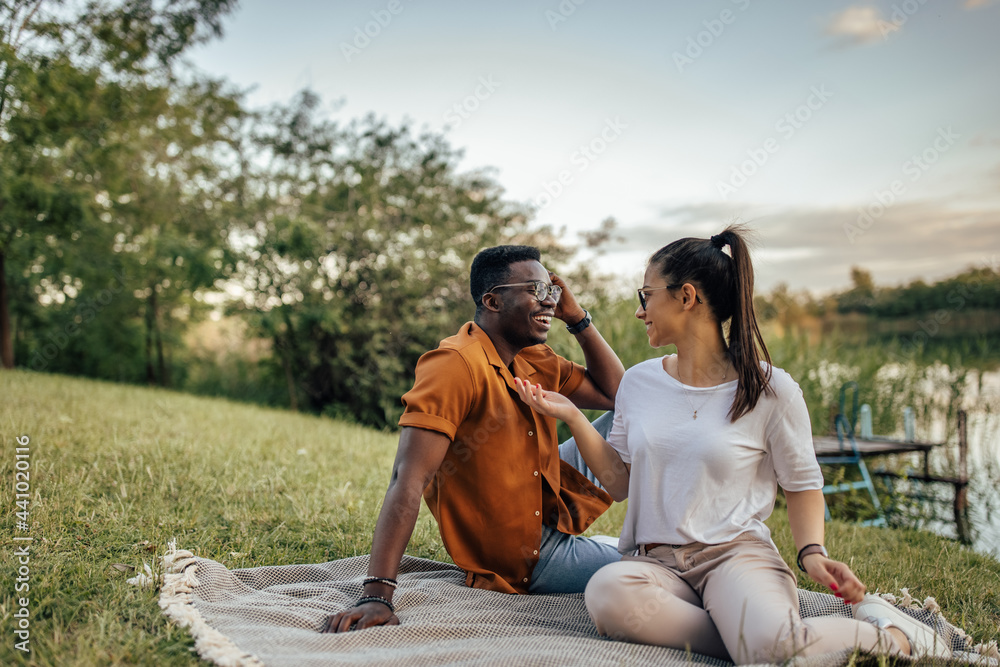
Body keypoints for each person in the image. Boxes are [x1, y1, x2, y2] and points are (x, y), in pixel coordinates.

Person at [513, 226, 952, 664]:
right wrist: (573, 416)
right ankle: (755, 641)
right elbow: (622, 484)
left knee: (773, 646)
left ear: (687, 297)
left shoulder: (770, 389)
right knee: (608, 594)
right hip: (656, 564)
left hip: (735, 558)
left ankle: (895, 636)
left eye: (646, 296)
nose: (640, 311)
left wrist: (812, 553)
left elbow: (802, 485)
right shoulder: (639, 383)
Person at [323, 244, 626, 633]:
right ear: (493, 300)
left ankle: (614, 545)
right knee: (654, 571)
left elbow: (621, 396)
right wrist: (377, 595)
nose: (549, 301)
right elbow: (408, 479)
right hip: (528, 556)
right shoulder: (454, 365)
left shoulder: (535, 357)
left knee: (635, 413)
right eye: (536, 289)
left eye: (552, 290)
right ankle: (611, 552)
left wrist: (578, 319)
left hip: (549, 494)